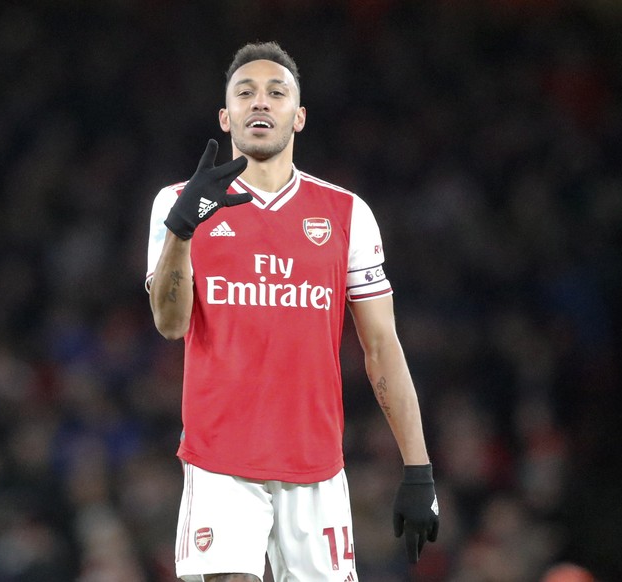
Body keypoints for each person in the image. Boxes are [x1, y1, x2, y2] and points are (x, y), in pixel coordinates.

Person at [145, 41, 438, 581]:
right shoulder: (178, 203)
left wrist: (417, 466)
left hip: (316, 466)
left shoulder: (347, 213)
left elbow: (381, 348)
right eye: (246, 92)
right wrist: (182, 233)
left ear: (298, 116)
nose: (261, 103)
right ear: (225, 114)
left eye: (276, 93)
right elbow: (170, 323)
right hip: (220, 461)